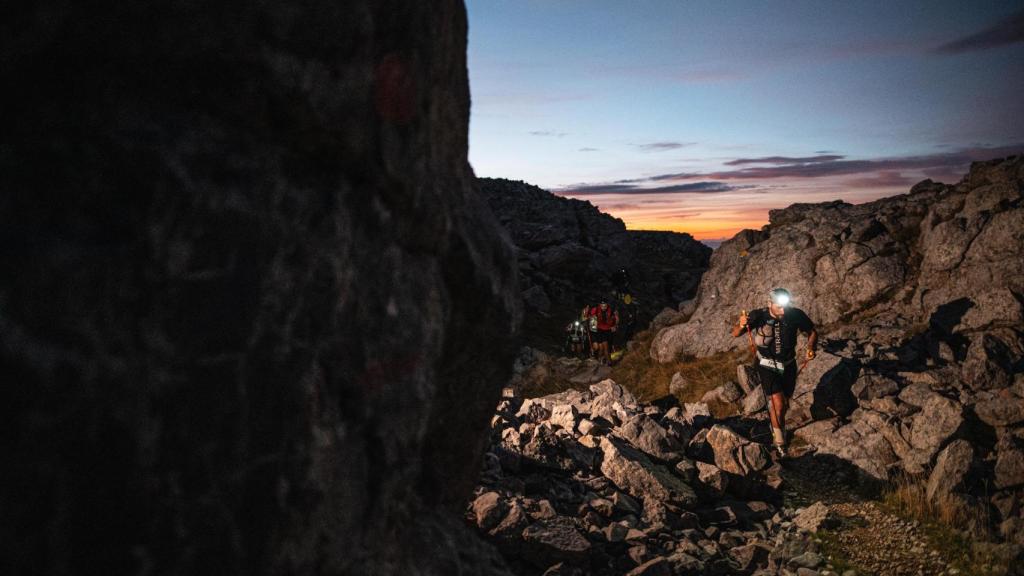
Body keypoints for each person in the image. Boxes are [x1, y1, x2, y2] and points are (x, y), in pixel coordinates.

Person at [731, 287, 817, 457]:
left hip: (788, 364)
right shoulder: (759, 315)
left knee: (784, 404)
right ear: (769, 303)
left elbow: (812, 331)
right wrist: (741, 324)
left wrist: (811, 347)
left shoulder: (795, 314)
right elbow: (735, 333)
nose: (783, 310)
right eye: (779, 307)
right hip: (766, 365)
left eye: (785, 306)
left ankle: (777, 424)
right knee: (778, 402)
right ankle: (780, 442)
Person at [588, 298, 619, 365]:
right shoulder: (595, 310)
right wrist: (591, 321)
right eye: (602, 306)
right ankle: (606, 360)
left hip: (608, 330)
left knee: (606, 346)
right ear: (600, 305)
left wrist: (615, 325)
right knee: (602, 347)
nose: (603, 307)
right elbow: (590, 319)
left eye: (605, 306)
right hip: (599, 330)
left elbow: (616, 319)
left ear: (607, 305)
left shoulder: (611, 310)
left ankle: (605, 360)